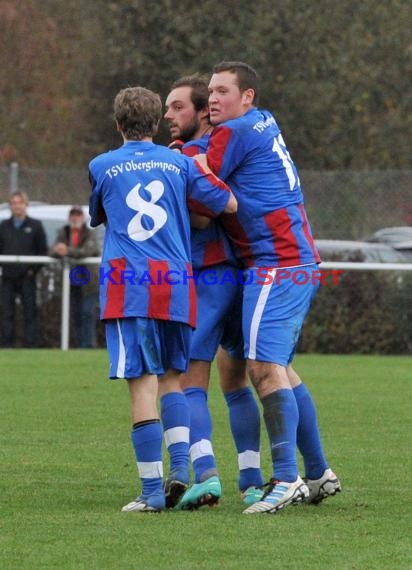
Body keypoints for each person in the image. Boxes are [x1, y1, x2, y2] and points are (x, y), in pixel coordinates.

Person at [200, 61, 341, 514]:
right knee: (278, 368)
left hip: (276, 262)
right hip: (292, 259)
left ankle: (285, 478)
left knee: (261, 370)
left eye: (223, 90)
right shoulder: (263, 121)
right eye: (209, 91)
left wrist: (177, 154)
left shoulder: (234, 132)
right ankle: (317, 472)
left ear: (248, 97)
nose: (213, 99)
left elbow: (202, 185)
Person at [88, 86, 237, 512]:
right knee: (175, 377)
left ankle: (152, 492)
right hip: (175, 281)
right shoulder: (180, 161)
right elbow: (226, 203)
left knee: (141, 386)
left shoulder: (101, 165)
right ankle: (179, 472)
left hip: (128, 282)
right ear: (155, 124)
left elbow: (100, 215)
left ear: (118, 125)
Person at [164, 75, 264, 509]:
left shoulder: (195, 152)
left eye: (177, 107)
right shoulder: (228, 148)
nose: (169, 116)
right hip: (239, 277)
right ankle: (252, 479)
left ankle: (205, 474)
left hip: (209, 276)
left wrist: (178, 171)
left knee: (190, 380)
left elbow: (203, 217)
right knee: (237, 381)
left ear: (203, 112)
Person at [0, 191, 47, 347]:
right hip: (7, 277)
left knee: (30, 312)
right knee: (7, 313)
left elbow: (42, 251)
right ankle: (6, 345)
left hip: (28, 277)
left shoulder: (35, 226)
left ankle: (30, 345)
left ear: (26, 205)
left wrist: (32, 270)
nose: (17, 206)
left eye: (20, 203)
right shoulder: (3, 226)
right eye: (13, 203)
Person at [49, 206, 100, 348]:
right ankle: (79, 345)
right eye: (73, 215)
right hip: (70, 282)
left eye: (78, 215)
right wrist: (57, 250)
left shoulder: (90, 233)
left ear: (83, 218)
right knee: (75, 315)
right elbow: (52, 250)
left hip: (89, 282)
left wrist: (67, 250)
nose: (75, 218)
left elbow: (88, 251)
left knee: (87, 313)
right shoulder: (63, 232)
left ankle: (88, 345)